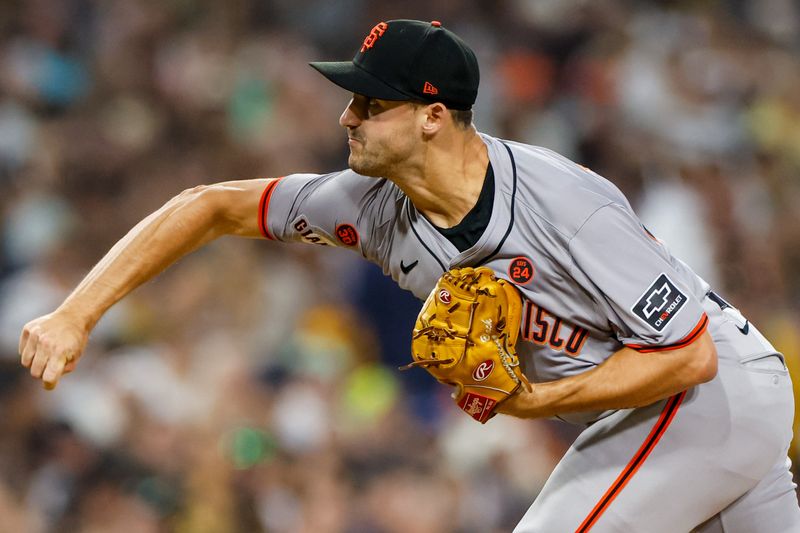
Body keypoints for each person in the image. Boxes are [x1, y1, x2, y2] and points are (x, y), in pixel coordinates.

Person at [18, 19, 800, 532]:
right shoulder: (365, 205)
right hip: (683, 407)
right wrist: (77, 312)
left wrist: (535, 400)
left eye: (368, 101)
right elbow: (212, 205)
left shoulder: (567, 200)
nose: (345, 118)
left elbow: (688, 356)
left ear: (432, 114)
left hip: (709, 390)